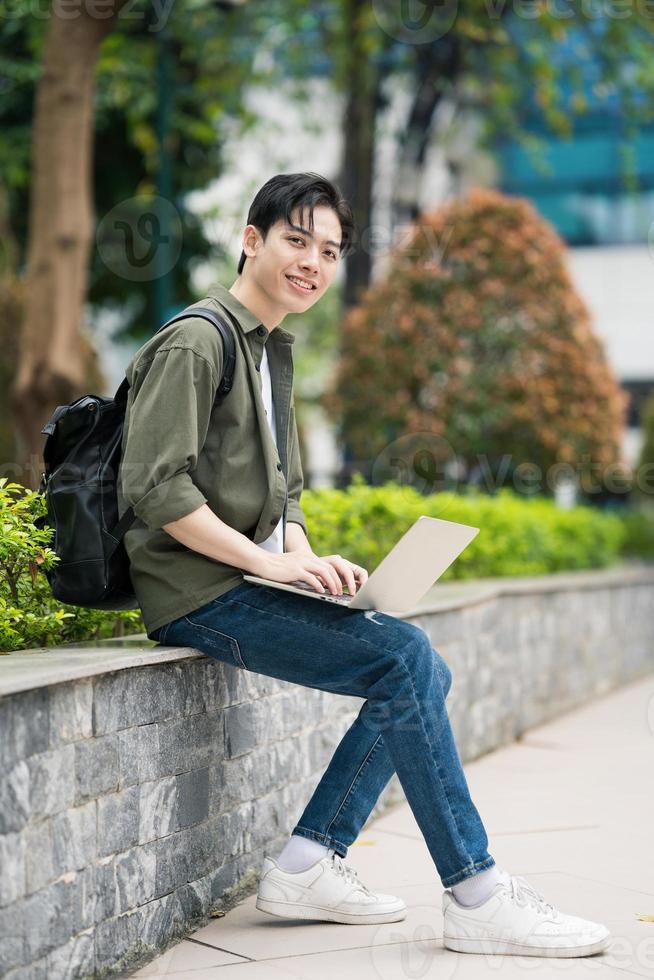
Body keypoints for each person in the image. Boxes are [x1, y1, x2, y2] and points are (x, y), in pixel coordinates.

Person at [117, 172, 610, 957]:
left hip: (240, 576)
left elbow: (288, 496)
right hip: (195, 589)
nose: (313, 262)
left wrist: (307, 560)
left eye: (329, 250)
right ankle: (477, 894)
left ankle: (309, 861)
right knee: (407, 657)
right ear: (252, 241)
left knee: (421, 668)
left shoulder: (272, 351)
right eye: (296, 241)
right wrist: (264, 565)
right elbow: (153, 486)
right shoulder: (197, 340)